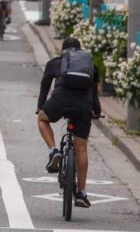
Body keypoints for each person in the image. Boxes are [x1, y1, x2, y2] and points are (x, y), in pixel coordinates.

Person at [37, 37, 101, 209]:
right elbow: (94, 95)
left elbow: (44, 86)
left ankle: (54, 151)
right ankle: (81, 192)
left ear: (62, 51)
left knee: (42, 119)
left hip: (60, 100)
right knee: (81, 148)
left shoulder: (55, 63)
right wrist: (97, 112)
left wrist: (40, 107)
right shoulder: (90, 66)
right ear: (80, 51)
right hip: (83, 106)